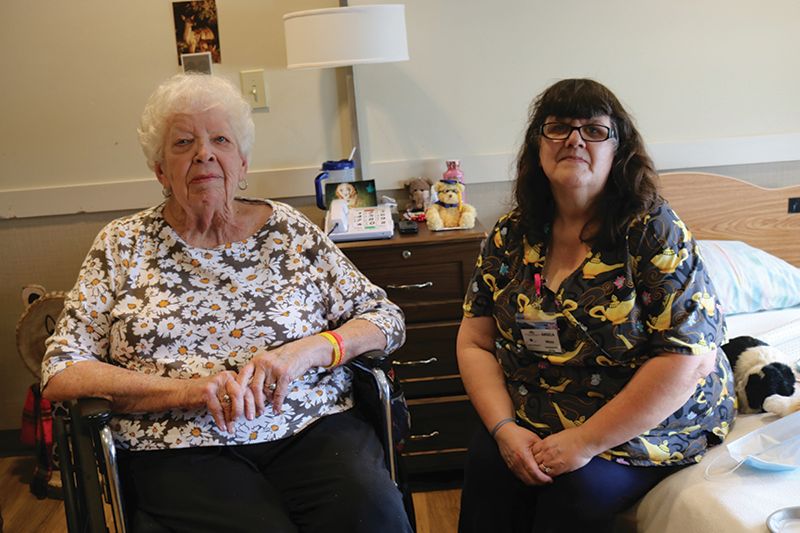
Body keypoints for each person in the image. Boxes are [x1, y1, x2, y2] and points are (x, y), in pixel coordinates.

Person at [41, 73, 411, 533]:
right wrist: (190, 391)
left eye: (220, 138)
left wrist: (308, 351)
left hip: (311, 428)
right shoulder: (122, 244)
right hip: (178, 445)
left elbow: (384, 318)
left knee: (371, 514)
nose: (203, 152)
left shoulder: (290, 230)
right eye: (182, 142)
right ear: (160, 170)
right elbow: (62, 369)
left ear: (242, 161)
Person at [456, 78, 735, 533]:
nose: (574, 139)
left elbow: (689, 361)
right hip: (537, 409)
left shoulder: (653, 232)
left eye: (594, 130)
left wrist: (584, 441)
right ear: (537, 145)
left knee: (573, 493)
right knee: (488, 466)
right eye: (558, 127)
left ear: (617, 149)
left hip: (642, 419)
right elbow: (474, 342)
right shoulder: (510, 234)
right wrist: (505, 429)